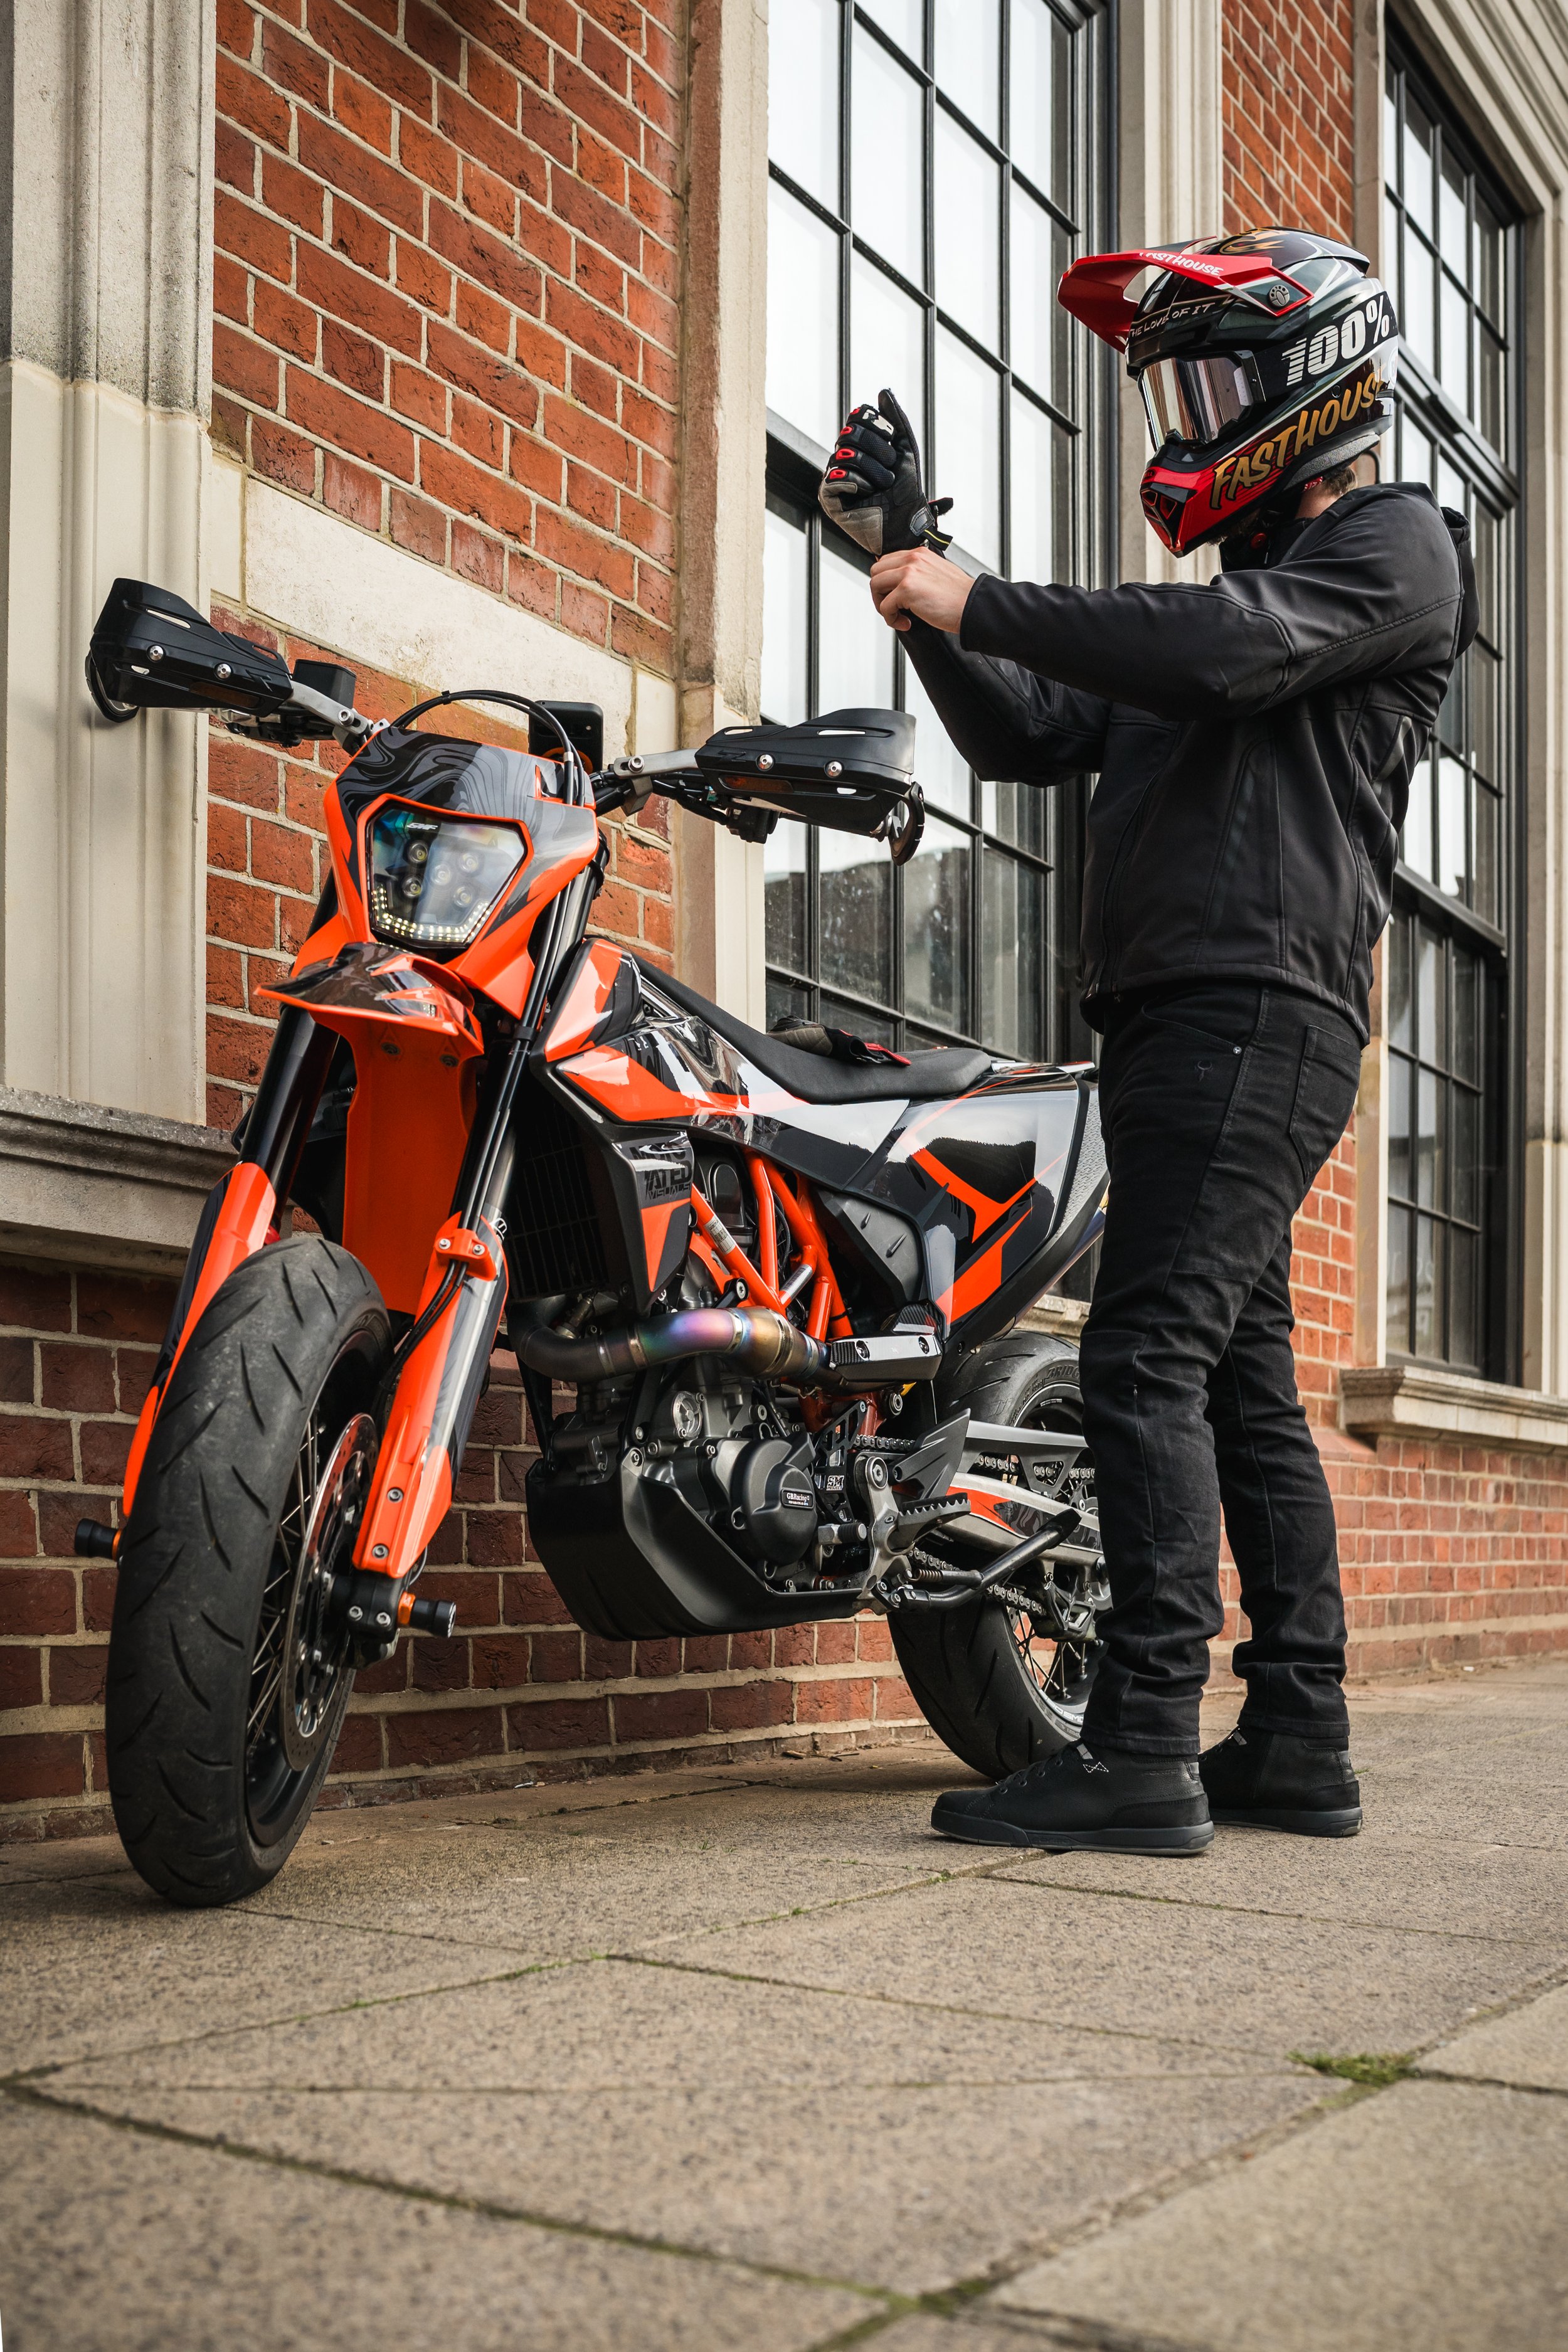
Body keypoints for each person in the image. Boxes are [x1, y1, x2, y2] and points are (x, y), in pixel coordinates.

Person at [819, 229, 1478, 1855]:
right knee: (1240, 1379)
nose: (1185, 417)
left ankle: (1134, 1748)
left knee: (1142, 1360)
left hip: (1251, 1007)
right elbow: (1028, 725)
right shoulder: (1237, 604)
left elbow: (1223, 648)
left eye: (1213, 381)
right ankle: (1298, 1740)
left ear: (1312, 378)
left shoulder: (1392, 549)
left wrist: (979, 589)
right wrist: (909, 575)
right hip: (1202, 1015)